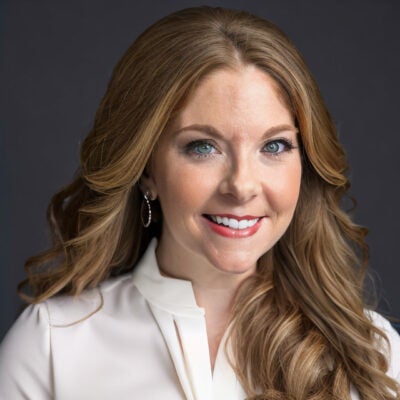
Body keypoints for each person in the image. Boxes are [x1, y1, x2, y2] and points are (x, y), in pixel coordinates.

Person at [0, 6, 399, 400]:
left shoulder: (373, 356)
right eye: (203, 147)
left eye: (274, 145)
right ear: (146, 170)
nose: (242, 185)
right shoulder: (52, 345)